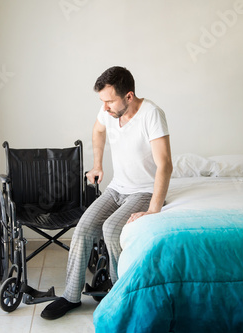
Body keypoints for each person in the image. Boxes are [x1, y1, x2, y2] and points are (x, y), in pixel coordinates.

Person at [41, 66, 172, 320]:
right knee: (83, 228)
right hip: (117, 188)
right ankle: (70, 296)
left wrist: (154, 208)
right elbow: (98, 131)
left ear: (129, 97)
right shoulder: (108, 111)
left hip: (143, 190)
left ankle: (120, 292)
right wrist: (98, 164)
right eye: (102, 101)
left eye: (110, 100)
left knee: (111, 229)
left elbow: (165, 164)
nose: (105, 107)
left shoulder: (152, 114)